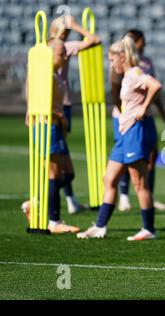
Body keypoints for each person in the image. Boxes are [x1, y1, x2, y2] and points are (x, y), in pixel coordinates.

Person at [77, 36, 162, 240]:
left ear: (122, 57)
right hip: (125, 134)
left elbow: (155, 85)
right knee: (109, 179)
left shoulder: (134, 73)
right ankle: (100, 226)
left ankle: (149, 229)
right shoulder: (126, 76)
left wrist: (143, 106)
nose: (111, 63)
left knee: (139, 182)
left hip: (135, 131)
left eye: (112, 59)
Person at [23, 39, 80, 234]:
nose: (65, 56)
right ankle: (54, 221)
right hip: (49, 127)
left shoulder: (55, 75)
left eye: (65, 52)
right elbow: (40, 106)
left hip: (55, 127)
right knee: (54, 174)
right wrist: (60, 116)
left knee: (68, 174)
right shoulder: (46, 75)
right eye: (60, 53)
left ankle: (36, 201)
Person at [110, 29, 165, 212]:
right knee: (128, 159)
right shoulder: (120, 62)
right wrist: (124, 113)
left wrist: (161, 115)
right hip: (126, 116)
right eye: (141, 42)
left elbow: (154, 91)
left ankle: (148, 198)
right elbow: (114, 89)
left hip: (143, 116)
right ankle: (124, 197)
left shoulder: (145, 63)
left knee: (149, 157)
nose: (144, 46)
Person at [49, 16, 101, 214]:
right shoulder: (63, 46)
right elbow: (94, 40)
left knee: (58, 154)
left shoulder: (44, 46)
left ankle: (68, 199)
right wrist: (79, 27)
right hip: (61, 104)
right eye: (67, 31)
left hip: (52, 104)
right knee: (60, 155)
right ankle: (60, 200)